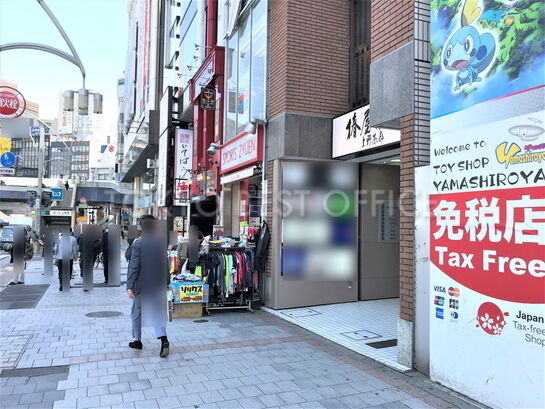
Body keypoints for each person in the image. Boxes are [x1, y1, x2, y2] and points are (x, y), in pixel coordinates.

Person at [126, 215, 170, 357]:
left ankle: (137, 340)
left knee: (136, 312)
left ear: (141, 227)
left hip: (140, 284)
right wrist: (166, 282)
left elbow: (134, 265)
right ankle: (163, 339)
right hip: (157, 283)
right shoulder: (160, 243)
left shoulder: (138, 243)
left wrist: (129, 285)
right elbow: (165, 264)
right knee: (157, 312)